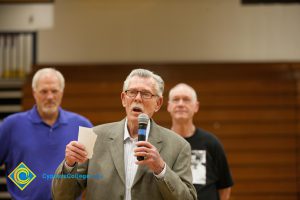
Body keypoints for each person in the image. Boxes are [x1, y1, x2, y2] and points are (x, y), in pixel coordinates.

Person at [52, 68, 197, 200]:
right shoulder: (94, 136)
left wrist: (161, 169)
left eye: (146, 94)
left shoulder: (178, 146)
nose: (138, 98)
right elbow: (62, 195)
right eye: (132, 92)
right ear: (123, 99)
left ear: (158, 103)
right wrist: (69, 165)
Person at [0, 68, 93, 200]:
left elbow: (96, 171)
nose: (49, 97)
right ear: (34, 93)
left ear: (61, 92)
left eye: (54, 91)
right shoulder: (11, 125)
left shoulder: (82, 125)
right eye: (44, 91)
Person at [167, 83, 234, 200]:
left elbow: (225, 185)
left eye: (186, 100)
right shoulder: (161, 142)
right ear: (168, 106)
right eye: (176, 100)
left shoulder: (211, 143)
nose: (181, 104)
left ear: (196, 106)